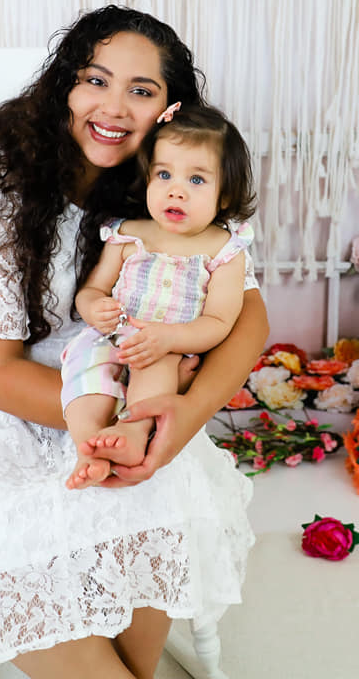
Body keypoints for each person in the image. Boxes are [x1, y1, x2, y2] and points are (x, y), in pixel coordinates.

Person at [0, 6, 269, 679]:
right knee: (5, 533)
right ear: (65, 85)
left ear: (169, 113)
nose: (113, 106)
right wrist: (119, 422)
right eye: (95, 79)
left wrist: (182, 415)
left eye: (141, 91)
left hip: (124, 396)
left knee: (159, 497)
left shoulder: (167, 189)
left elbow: (249, 318)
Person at [62, 102, 257, 490]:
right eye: (164, 174)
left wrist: (170, 338)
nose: (176, 190)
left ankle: (133, 432)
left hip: (166, 345)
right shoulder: (128, 234)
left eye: (197, 180)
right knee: (85, 373)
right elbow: (93, 289)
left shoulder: (225, 251)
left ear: (224, 195)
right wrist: (94, 307)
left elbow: (220, 321)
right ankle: (88, 445)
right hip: (110, 337)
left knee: (157, 371)